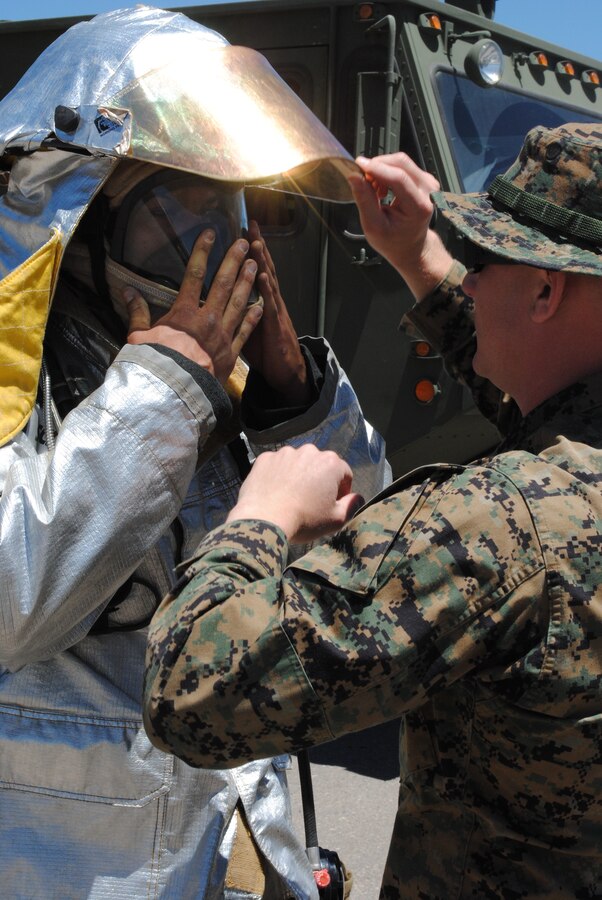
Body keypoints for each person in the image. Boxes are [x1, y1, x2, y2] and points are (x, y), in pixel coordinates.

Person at [144, 121, 602, 899]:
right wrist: (420, 257)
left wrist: (261, 518)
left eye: (481, 261)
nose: (467, 279)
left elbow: (191, 691)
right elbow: (554, 403)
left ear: (547, 290)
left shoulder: (502, 526)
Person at [0, 7, 388, 899]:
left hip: (228, 838)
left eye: (232, 207)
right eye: (185, 207)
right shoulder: (30, 364)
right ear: (86, 212)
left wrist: (298, 403)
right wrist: (164, 392)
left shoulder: (219, 377)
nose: (222, 242)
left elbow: (367, 555)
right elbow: (17, 604)